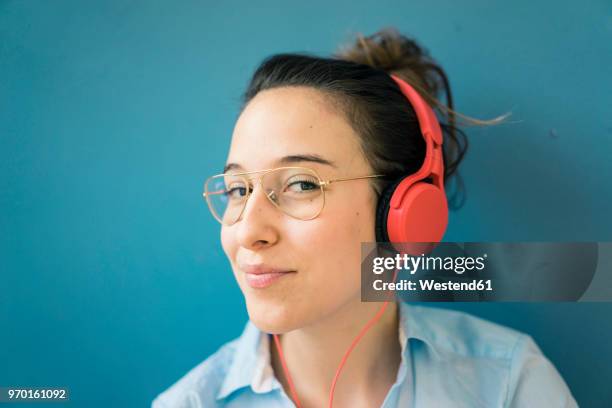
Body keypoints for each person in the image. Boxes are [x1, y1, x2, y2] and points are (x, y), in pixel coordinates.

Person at [152, 27, 577, 408]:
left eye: (302, 185)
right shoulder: (190, 402)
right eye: (238, 189)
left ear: (403, 214)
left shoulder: (509, 384)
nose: (248, 231)